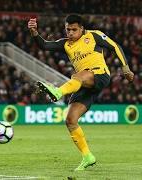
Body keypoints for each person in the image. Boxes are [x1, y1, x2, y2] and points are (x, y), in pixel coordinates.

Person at [27, 14, 134, 171]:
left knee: (79, 75)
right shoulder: (65, 44)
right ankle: (87, 156)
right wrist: (34, 32)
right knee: (70, 120)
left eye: (74, 29)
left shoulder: (94, 35)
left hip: (99, 75)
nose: (70, 33)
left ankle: (57, 92)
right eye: (67, 29)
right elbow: (44, 45)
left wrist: (125, 68)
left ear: (82, 28)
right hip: (82, 84)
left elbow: (115, 47)